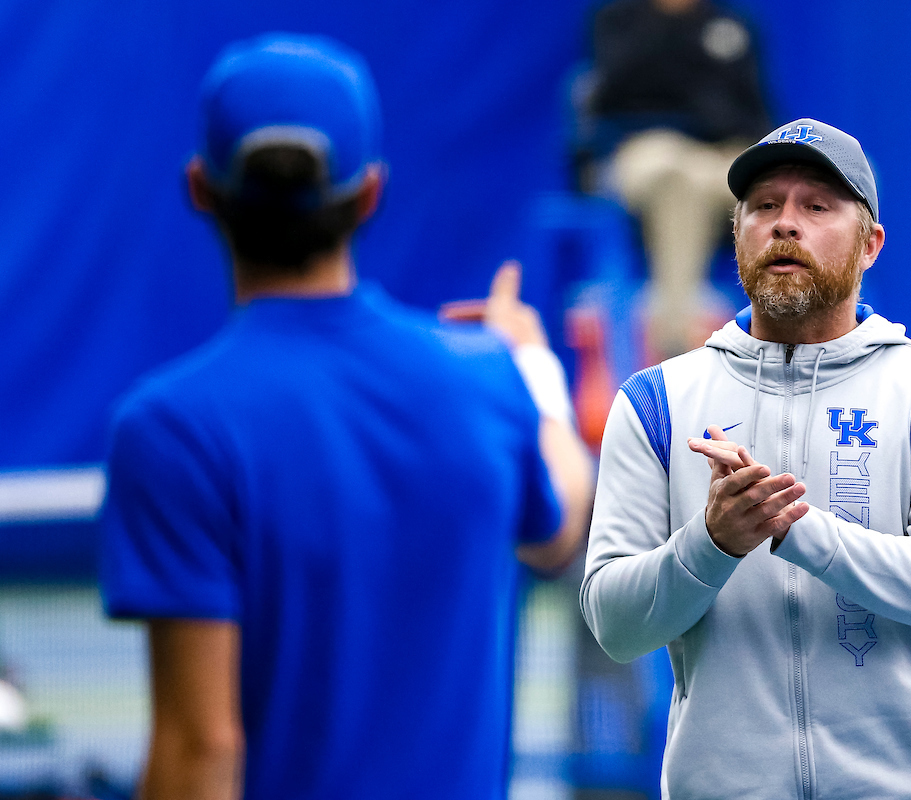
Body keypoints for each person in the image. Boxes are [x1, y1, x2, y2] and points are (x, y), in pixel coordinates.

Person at [100, 34, 593, 800]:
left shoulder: (170, 428)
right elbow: (559, 530)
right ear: (369, 193)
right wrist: (533, 366)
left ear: (200, 188)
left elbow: (201, 752)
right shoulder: (487, 379)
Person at [580, 118, 911, 799]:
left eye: (816, 206)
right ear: (737, 233)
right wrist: (711, 544)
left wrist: (794, 529)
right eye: (764, 206)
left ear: (871, 246)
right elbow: (614, 625)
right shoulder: (656, 402)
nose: (785, 224)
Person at [584, 0, 771, 359]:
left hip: (718, 155)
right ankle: (675, 345)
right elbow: (611, 96)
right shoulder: (618, 21)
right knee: (677, 178)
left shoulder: (731, 25)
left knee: (768, 185)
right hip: (644, 149)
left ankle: (787, 342)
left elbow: (757, 111)